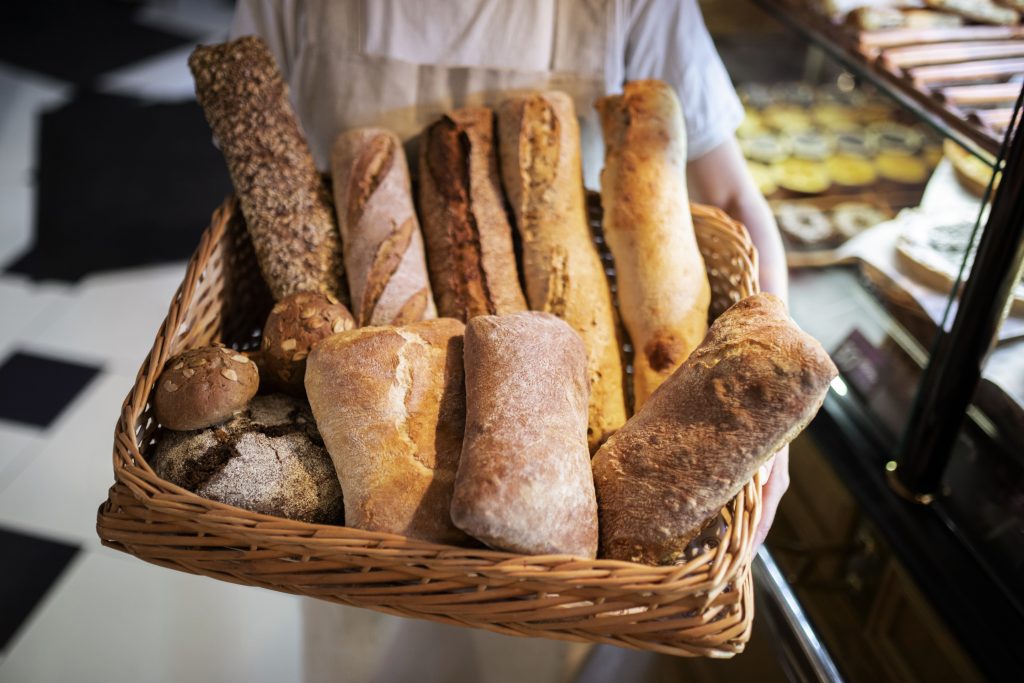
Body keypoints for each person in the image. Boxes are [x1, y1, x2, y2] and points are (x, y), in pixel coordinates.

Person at [231, 1, 789, 680]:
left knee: (541, 660)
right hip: (368, 481)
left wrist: (772, 430)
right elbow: (263, 176)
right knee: (367, 656)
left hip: (560, 515)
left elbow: (730, 198)